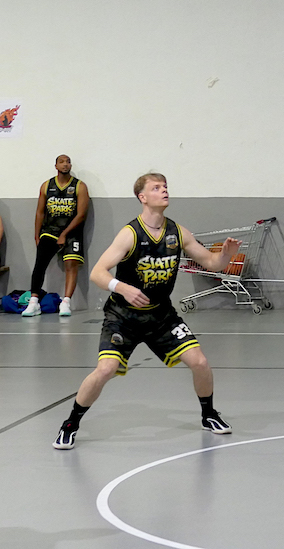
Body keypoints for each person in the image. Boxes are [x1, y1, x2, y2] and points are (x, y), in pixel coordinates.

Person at [52, 173, 239, 450]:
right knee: (105, 369)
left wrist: (225, 255)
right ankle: (70, 424)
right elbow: (97, 273)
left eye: (165, 186)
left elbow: (212, 263)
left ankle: (209, 414)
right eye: (156, 188)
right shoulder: (130, 233)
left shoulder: (178, 232)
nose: (164, 191)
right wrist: (122, 288)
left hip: (161, 316)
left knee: (200, 362)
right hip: (123, 316)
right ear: (143, 197)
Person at [23, 155, 90, 317]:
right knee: (40, 264)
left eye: (68, 162)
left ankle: (66, 302)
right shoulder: (47, 186)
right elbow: (40, 212)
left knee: (71, 264)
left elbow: (81, 214)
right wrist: (36, 235)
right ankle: (33, 302)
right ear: (56, 166)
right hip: (50, 230)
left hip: (72, 231)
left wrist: (64, 234)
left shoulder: (79, 186)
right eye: (62, 162)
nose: (65, 164)